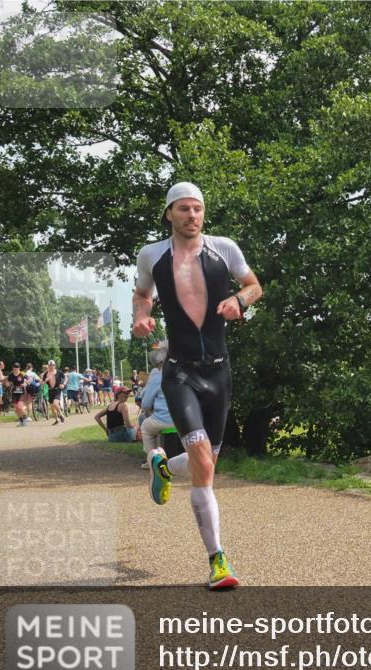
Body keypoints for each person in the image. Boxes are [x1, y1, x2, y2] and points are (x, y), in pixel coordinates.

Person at [132, 181, 262, 589]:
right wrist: (140, 317)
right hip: (180, 371)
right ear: (169, 213)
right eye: (184, 209)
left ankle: (163, 465)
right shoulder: (152, 255)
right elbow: (142, 294)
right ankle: (218, 562)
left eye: (198, 209)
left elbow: (254, 285)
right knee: (204, 464)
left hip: (219, 372)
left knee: (206, 463)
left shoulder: (224, 248)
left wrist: (240, 302)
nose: (192, 215)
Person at [137, 342, 175, 469]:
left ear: (160, 363)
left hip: (165, 419)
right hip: (185, 419)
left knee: (146, 427)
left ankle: (151, 461)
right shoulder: (183, 371)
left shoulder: (157, 376)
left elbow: (146, 405)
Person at [40, 360, 66, 425]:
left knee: (55, 403)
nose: (51, 367)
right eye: (50, 365)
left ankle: (61, 415)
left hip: (57, 389)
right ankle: (56, 419)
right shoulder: (46, 374)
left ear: (55, 365)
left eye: (53, 365)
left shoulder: (59, 372)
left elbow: (66, 378)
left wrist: (63, 384)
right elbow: (42, 382)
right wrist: (45, 381)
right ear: (48, 366)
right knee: (52, 406)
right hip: (50, 390)